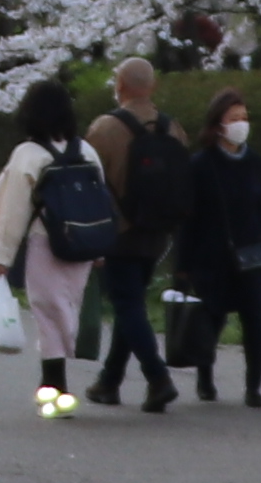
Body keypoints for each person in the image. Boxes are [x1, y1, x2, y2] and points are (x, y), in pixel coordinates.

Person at [0, 75, 99, 420]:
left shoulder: (28, 154)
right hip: (82, 242)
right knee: (66, 306)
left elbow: (13, 210)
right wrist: (100, 248)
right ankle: (54, 383)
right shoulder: (86, 151)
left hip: (43, 241)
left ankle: (54, 387)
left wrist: (2, 256)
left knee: (47, 312)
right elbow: (100, 201)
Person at [83, 62, 195, 412]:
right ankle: (109, 381)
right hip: (157, 230)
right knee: (131, 304)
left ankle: (158, 378)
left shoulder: (104, 128)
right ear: (153, 86)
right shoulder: (173, 128)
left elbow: (89, 180)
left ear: (119, 85)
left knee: (127, 304)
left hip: (117, 230)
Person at [174, 89, 261, 406]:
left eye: (244, 118)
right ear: (218, 124)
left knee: (255, 322)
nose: (241, 124)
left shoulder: (254, 163)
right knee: (212, 320)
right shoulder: (201, 165)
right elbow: (189, 217)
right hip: (211, 256)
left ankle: (253, 387)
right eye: (233, 118)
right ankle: (205, 377)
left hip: (251, 254)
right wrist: (183, 265)